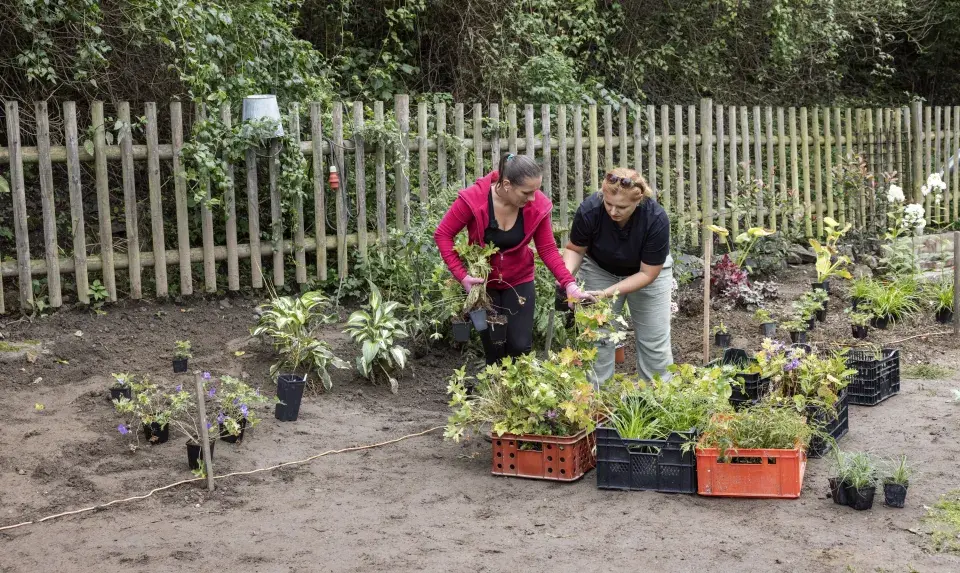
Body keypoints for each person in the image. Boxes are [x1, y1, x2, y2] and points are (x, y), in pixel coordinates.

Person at [435, 154, 594, 364]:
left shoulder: (537, 206)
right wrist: (462, 275)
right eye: (526, 192)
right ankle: (496, 394)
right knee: (493, 347)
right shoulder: (474, 199)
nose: (532, 198)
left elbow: (547, 249)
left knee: (520, 347)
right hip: (483, 286)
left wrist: (569, 284)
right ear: (507, 184)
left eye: (535, 191)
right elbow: (443, 234)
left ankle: (515, 393)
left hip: (519, 280)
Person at [563, 167, 673, 383]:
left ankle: (657, 402)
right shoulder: (590, 210)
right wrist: (566, 280)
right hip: (599, 268)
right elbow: (575, 249)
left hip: (647, 274)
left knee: (654, 341)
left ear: (638, 200)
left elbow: (647, 274)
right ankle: (595, 405)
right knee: (597, 338)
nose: (613, 211)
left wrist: (605, 293)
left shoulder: (656, 219)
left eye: (622, 207)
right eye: (608, 204)